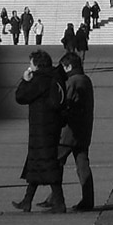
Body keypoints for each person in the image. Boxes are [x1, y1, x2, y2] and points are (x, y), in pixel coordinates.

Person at [37, 52, 94, 212]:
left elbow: (62, 103)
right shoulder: (85, 79)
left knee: (55, 162)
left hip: (69, 132)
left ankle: (56, 199)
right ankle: (87, 200)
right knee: (82, 165)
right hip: (84, 130)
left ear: (68, 66)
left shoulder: (73, 81)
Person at [12, 50, 67, 213]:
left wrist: (25, 80)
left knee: (47, 164)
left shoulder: (39, 79)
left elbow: (21, 97)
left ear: (37, 65)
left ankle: (60, 202)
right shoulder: (55, 77)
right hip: (51, 126)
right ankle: (27, 200)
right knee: (37, 163)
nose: (30, 67)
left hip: (41, 128)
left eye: (31, 64)